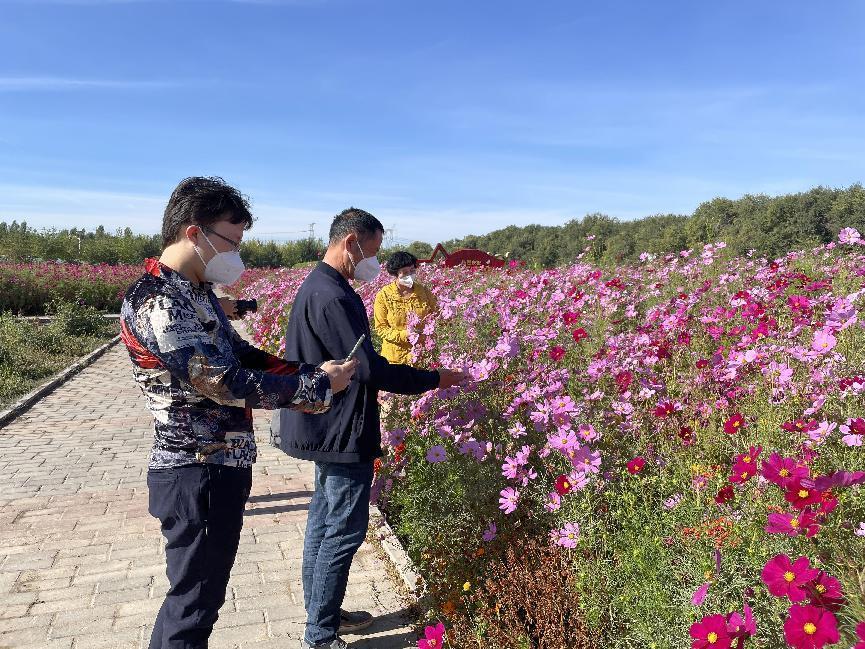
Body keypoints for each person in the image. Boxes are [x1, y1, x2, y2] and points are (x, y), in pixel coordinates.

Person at [119, 176, 357, 649]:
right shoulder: (158, 300)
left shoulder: (194, 291)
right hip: (196, 468)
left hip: (219, 466)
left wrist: (311, 371)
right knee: (194, 602)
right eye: (232, 241)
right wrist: (312, 386)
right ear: (195, 233)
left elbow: (241, 356)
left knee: (198, 598)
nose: (237, 255)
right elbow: (220, 382)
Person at [270, 208, 465, 649]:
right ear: (351, 242)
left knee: (324, 521)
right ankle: (319, 635)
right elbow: (367, 369)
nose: (375, 263)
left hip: (327, 425)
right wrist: (434, 378)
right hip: (340, 429)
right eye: (372, 252)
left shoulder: (322, 285)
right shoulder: (333, 295)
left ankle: (324, 612)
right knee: (343, 528)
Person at [373, 251, 437, 365]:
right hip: (395, 358)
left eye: (412, 270)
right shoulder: (383, 295)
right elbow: (381, 328)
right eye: (405, 273)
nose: (410, 275)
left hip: (422, 355)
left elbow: (436, 315)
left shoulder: (424, 292)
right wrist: (405, 335)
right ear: (396, 274)